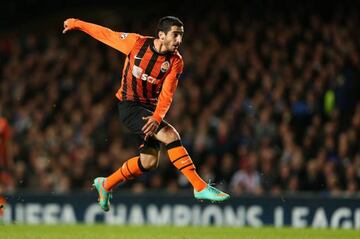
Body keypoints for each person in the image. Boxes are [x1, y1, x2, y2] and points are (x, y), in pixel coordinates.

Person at [63, 16, 230, 211]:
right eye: (175, 35)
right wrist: (76, 23)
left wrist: (157, 116)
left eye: (181, 36)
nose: (179, 40)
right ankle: (199, 186)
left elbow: (167, 94)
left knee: (148, 162)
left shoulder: (176, 61)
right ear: (161, 35)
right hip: (129, 105)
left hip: (150, 110)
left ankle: (106, 184)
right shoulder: (136, 44)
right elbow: (107, 35)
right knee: (170, 135)